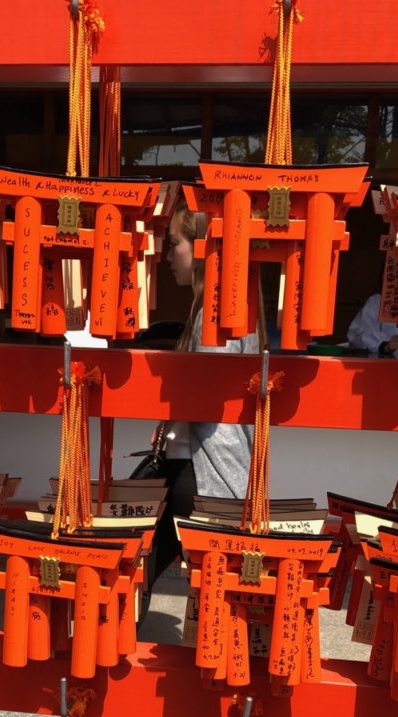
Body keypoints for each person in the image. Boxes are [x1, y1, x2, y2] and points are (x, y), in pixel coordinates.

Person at [148, 199, 258, 582]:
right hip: (196, 465)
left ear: (198, 247)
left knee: (158, 570)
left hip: (205, 469)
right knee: (144, 566)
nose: (166, 256)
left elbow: (207, 393)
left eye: (173, 244)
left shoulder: (215, 313)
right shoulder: (212, 306)